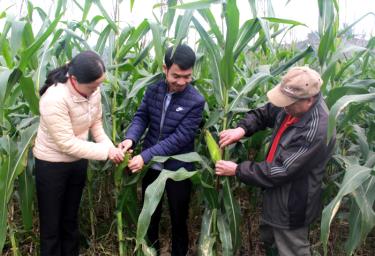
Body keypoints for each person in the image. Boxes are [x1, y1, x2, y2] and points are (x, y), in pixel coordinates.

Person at [215, 66, 336, 256]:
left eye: (289, 103)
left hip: (291, 204)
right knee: (270, 243)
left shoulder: (317, 129)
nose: (284, 106)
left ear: (309, 100)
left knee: (291, 249)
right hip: (274, 195)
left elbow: (281, 170)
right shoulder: (292, 106)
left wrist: (238, 170)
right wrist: (242, 129)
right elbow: (264, 114)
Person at [33, 50, 124, 256]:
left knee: (70, 220)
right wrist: (106, 152)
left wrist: (112, 148)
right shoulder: (54, 98)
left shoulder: (93, 90)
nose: (97, 89)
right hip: (51, 165)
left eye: (99, 84)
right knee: (51, 228)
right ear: (74, 79)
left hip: (78, 161)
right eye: (93, 86)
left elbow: (96, 125)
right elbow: (66, 143)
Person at [119, 44, 205, 255]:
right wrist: (130, 139)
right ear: (164, 68)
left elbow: (180, 138)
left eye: (187, 76)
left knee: (178, 218)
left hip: (179, 168)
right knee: (150, 215)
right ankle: (151, 251)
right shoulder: (153, 90)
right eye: (176, 76)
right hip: (152, 167)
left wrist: (145, 155)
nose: (182, 82)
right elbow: (142, 117)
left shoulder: (196, 100)